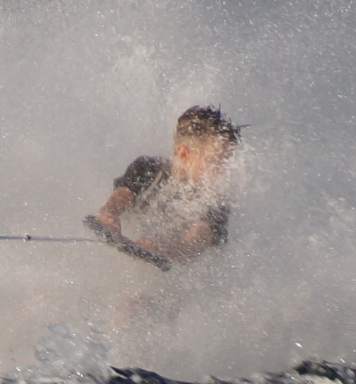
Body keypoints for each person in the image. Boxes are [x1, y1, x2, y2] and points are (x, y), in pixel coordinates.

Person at [85, 105, 243, 267]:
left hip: (178, 272)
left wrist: (170, 249)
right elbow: (121, 196)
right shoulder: (147, 169)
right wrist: (108, 215)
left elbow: (199, 236)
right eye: (216, 162)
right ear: (184, 154)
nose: (223, 172)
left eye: (227, 163)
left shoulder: (215, 201)